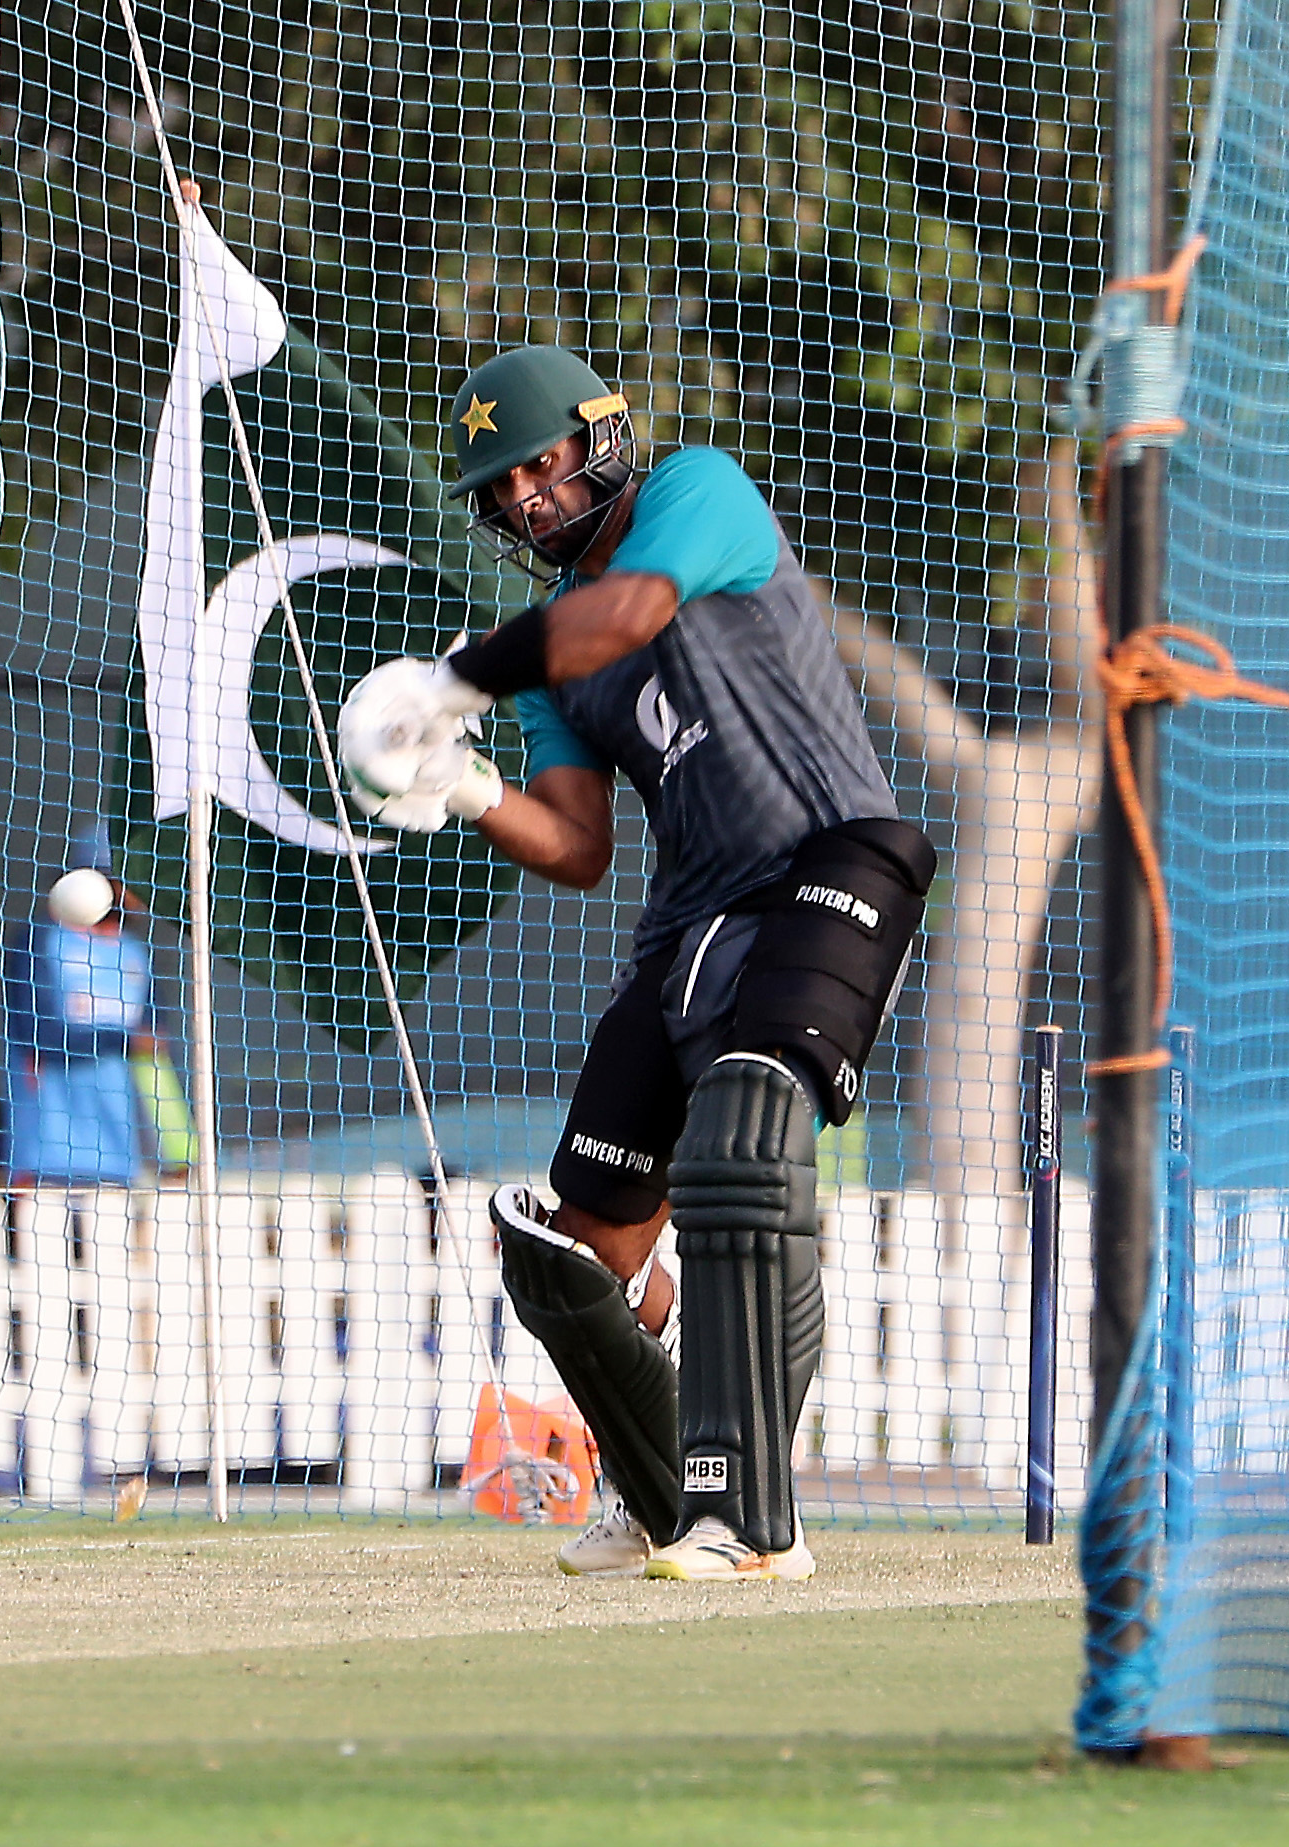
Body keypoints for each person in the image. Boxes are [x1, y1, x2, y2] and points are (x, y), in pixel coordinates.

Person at [336, 345, 935, 1581]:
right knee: (582, 1233)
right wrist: (468, 785)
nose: (521, 502)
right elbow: (577, 843)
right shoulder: (553, 652)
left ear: (600, 439)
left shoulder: (695, 490)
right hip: (690, 919)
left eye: (536, 468)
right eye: (498, 493)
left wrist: (452, 679)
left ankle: (748, 1517)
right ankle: (659, 1488)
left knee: (741, 1142)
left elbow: (630, 611)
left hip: (831, 860)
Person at [2, 866, 156, 1187]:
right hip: (49, 1151)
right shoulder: (40, 939)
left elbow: (156, 1035)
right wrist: (123, 1041)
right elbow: (42, 1034)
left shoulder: (134, 949)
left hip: (118, 1156)